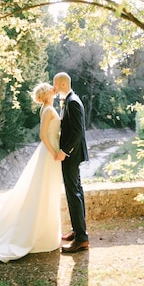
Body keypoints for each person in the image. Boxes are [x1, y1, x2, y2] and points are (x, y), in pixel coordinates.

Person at [0, 82, 62, 263]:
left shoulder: (47, 108)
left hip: (49, 152)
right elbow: (43, 135)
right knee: (45, 190)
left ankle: (44, 230)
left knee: (46, 190)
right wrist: (55, 153)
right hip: (50, 153)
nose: (54, 89)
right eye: (50, 88)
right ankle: (39, 233)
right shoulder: (49, 110)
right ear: (46, 96)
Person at [53, 71, 89, 253]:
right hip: (72, 155)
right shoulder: (69, 101)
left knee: (73, 193)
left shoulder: (73, 102)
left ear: (63, 85)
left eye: (55, 84)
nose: (53, 87)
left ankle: (82, 238)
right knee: (76, 191)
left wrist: (64, 151)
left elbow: (77, 132)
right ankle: (78, 231)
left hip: (71, 155)